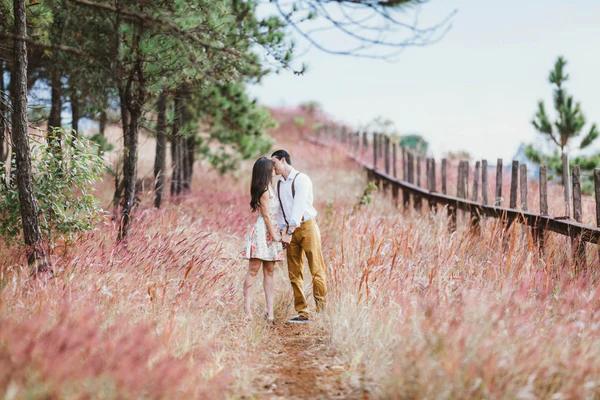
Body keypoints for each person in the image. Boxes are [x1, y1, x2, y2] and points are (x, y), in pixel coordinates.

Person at [271, 150, 327, 324]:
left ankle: (321, 311)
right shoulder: (279, 184)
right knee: (294, 271)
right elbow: (280, 211)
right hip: (289, 230)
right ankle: (302, 312)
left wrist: (289, 231)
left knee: (316, 269)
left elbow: (298, 206)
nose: (272, 168)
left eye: (274, 163)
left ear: (283, 160)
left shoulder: (301, 179)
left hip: (307, 227)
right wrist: (282, 232)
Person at [241, 157, 285, 323]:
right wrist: (274, 236)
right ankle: (247, 309)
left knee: (270, 271)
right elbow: (266, 215)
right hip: (263, 232)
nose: (274, 168)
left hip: (271, 229)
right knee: (253, 270)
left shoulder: (271, 187)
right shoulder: (264, 190)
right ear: (265, 171)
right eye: (271, 167)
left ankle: (270, 310)